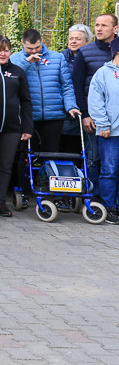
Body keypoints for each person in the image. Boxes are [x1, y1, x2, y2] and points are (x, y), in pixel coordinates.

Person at [0, 35, 33, 218]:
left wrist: (27, 127)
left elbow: (26, 101)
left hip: (12, 128)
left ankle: (0, 202)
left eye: (6, 50)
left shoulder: (18, 71)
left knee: (5, 165)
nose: (2, 53)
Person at [71, 13, 119, 200]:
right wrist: (85, 114)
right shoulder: (86, 52)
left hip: (115, 118)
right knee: (95, 159)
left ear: (115, 29)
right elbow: (77, 84)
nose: (99, 29)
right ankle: (94, 199)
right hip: (94, 117)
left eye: (104, 25)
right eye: (97, 25)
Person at [8, 29, 79, 153]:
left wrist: (70, 106)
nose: (34, 51)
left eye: (37, 47)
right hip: (29, 117)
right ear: (22, 43)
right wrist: (27, 63)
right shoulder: (14, 60)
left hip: (54, 116)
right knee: (28, 154)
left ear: (42, 41)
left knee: (51, 153)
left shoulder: (57, 58)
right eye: (30, 48)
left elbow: (66, 86)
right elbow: (11, 81)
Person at [87, 38, 119, 224]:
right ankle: (109, 206)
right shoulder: (103, 74)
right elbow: (96, 101)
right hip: (111, 132)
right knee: (110, 170)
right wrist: (103, 124)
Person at [61, 24, 93, 152]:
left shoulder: (90, 58)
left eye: (77, 39)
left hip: (87, 109)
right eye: (71, 38)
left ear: (87, 41)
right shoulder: (61, 58)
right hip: (65, 112)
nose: (73, 41)